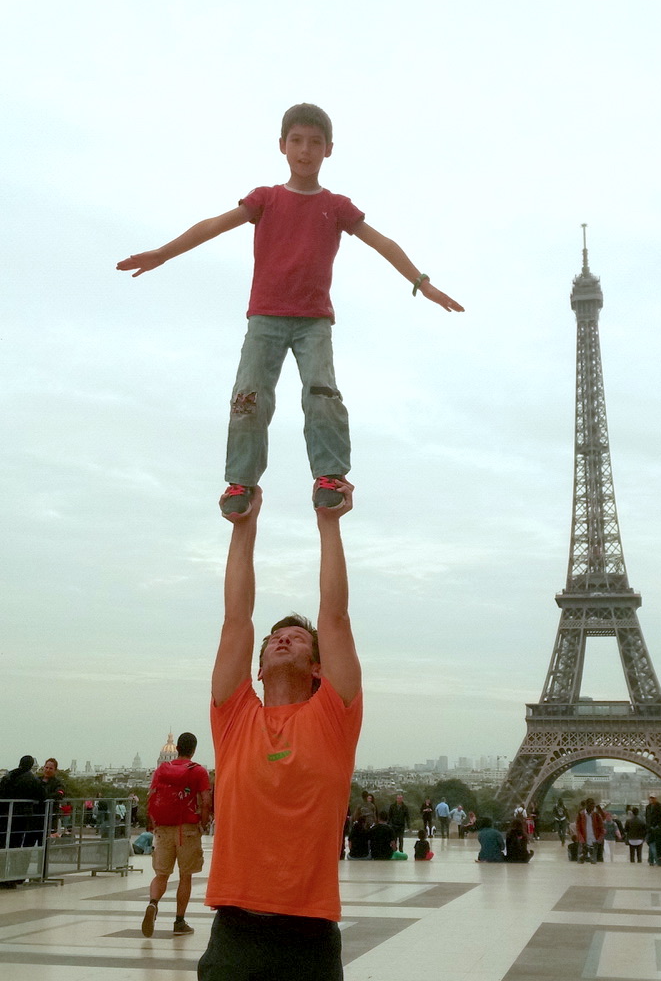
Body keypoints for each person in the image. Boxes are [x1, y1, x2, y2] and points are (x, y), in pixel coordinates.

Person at [117, 104, 464, 520]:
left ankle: (330, 477)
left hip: (313, 321)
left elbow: (382, 243)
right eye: (297, 141)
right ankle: (241, 481)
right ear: (282, 146)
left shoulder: (336, 206)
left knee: (322, 394)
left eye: (315, 142)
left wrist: (421, 283)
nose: (305, 150)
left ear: (329, 150)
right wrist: (163, 253)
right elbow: (213, 225)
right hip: (265, 318)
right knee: (249, 398)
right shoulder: (267, 198)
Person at [197, 481, 361, 981]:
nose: (281, 638)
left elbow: (335, 617)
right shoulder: (234, 717)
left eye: (295, 637)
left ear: (318, 667)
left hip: (309, 938)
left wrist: (328, 523)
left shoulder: (334, 717)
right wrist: (243, 526)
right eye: (274, 639)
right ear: (259, 668)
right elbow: (235, 619)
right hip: (234, 931)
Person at [141, 731, 211, 938]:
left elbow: (151, 796)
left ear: (177, 748)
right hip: (187, 829)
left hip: (163, 827)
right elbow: (206, 801)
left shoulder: (162, 769)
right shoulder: (198, 771)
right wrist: (203, 823)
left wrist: (152, 822)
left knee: (161, 874)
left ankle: (153, 903)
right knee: (185, 875)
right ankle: (179, 921)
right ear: (194, 749)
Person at [575, 798, 605, 864]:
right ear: (586, 805)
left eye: (593, 804)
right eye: (591, 804)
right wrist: (581, 839)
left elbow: (602, 829)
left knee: (595, 862)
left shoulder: (596, 815)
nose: (593, 806)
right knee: (580, 863)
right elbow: (578, 829)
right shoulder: (580, 815)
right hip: (583, 842)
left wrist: (599, 839)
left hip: (595, 842)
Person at [39, 758, 65, 835]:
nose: (48, 770)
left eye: (51, 768)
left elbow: (60, 794)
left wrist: (44, 797)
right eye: (46, 767)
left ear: (55, 770)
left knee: (46, 843)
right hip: (36, 818)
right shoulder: (36, 780)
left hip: (50, 818)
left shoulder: (58, 783)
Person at [645, 795, 661, 866]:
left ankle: (652, 860)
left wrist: (658, 826)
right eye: (650, 798)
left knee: (652, 843)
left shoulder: (660, 806)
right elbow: (647, 817)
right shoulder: (648, 807)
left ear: (656, 799)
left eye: (653, 798)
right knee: (651, 843)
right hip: (650, 828)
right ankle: (652, 860)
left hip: (657, 828)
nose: (651, 799)